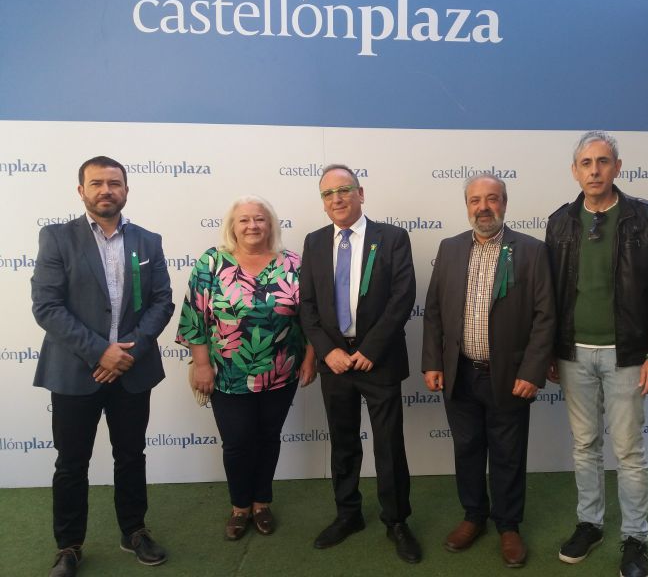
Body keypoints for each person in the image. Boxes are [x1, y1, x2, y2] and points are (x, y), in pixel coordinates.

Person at [31, 156, 174, 577]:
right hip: (75, 372)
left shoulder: (148, 241)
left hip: (133, 370)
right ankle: (69, 546)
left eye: (114, 183)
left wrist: (128, 352)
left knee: (131, 455)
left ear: (126, 190)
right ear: (81, 191)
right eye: (96, 183)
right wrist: (100, 352)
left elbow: (162, 301)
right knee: (71, 463)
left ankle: (134, 531)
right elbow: (47, 306)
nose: (106, 190)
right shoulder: (57, 238)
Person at [545, 131, 648, 577]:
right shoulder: (560, 222)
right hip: (574, 355)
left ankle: (635, 538)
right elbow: (550, 294)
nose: (595, 170)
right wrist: (550, 350)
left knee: (628, 451)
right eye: (586, 163)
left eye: (603, 161)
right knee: (584, 445)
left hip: (628, 356)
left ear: (617, 168)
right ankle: (590, 524)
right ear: (575, 171)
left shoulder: (646, 218)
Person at [421, 173, 556, 569]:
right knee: (466, 449)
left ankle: (508, 525)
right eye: (475, 200)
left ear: (504, 203)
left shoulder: (531, 250)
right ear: (467, 206)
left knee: (508, 453)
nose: (483, 207)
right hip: (459, 372)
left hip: (510, 376)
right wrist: (433, 362)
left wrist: (532, 371)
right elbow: (433, 312)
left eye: (492, 199)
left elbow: (546, 316)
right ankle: (473, 516)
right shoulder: (449, 249)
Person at [299, 164, 421, 563]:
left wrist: (371, 349)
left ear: (360, 193)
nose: (336, 198)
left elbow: (402, 297)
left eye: (344, 190)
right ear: (323, 201)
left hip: (378, 360)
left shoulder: (392, 238)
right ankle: (348, 514)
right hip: (335, 362)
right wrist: (327, 350)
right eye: (328, 193)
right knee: (343, 443)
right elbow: (307, 306)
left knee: (388, 445)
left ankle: (396, 521)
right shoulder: (314, 242)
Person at [176, 195, 316, 541]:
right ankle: (240, 507)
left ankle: (261, 503)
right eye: (244, 220)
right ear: (233, 226)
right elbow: (194, 317)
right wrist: (202, 365)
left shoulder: (294, 264)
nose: (252, 225)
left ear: (271, 225)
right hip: (227, 374)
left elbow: (313, 318)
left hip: (281, 371)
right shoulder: (211, 262)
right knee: (237, 442)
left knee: (268, 438)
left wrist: (310, 358)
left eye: (259, 219)